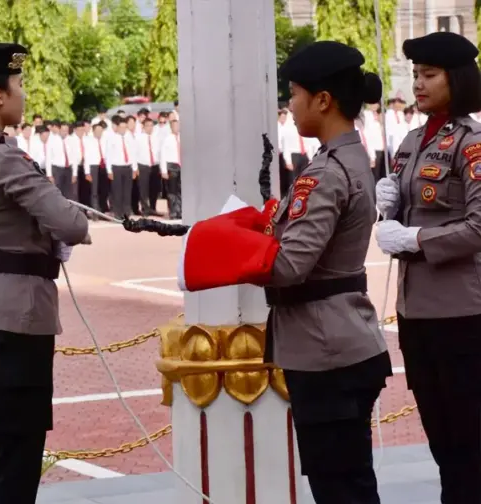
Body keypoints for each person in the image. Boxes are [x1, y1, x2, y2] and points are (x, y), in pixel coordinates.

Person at [177, 41, 391, 503]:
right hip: (337, 341)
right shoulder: (345, 158)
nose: (290, 106)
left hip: (326, 350)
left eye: (294, 94)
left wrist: (226, 249)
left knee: (340, 488)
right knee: (347, 481)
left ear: (323, 100)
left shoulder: (326, 172)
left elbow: (291, 265)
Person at [0, 42, 91, 504]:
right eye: (18, 84)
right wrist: (67, 217)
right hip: (17, 320)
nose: (23, 94)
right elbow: (71, 223)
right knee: (17, 462)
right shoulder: (4, 157)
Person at [374, 31, 481, 504]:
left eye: (429, 74)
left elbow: (478, 228)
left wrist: (414, 238)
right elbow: (402, 214)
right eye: (416, 74)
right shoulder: (412, 140)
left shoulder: (472, 143)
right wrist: (389, 204)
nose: (418, 84)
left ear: (456, 79)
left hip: (461, 312)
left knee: (469, 442)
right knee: (441, 439)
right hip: (415, 312)